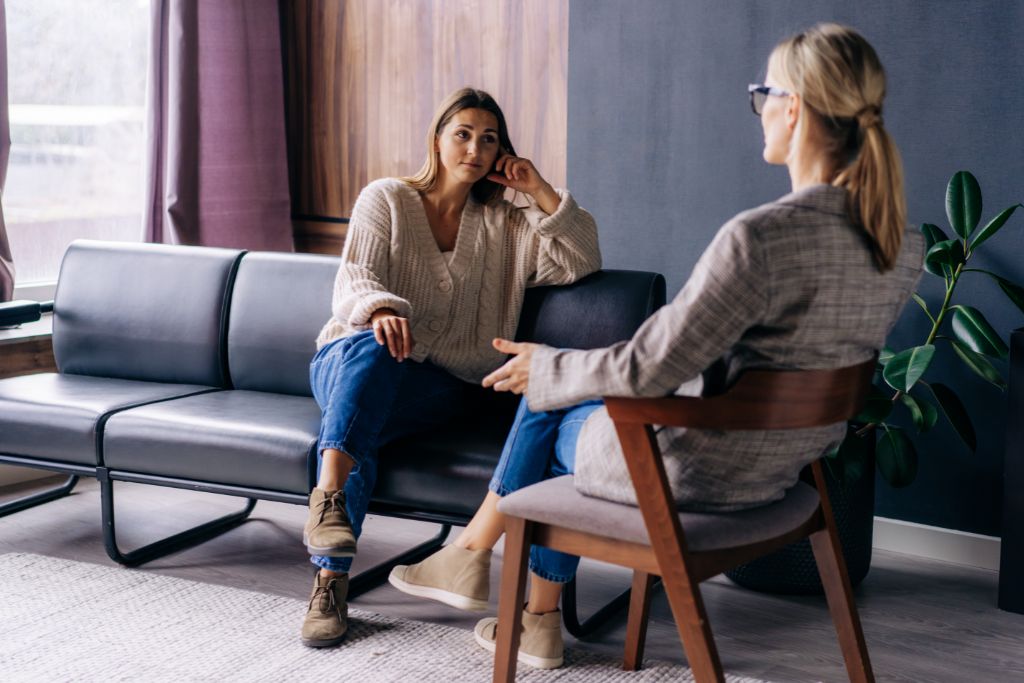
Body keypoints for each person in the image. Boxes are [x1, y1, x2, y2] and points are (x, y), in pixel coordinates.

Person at [389, 23, 925, 670]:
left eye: (763, 94)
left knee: (549, 396)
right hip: (784, 470)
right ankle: (521, 606)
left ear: (795, 108)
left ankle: (486, 570)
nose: (760, 111)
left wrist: (550, 366)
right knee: (562, 382)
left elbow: (651, 365)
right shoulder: (900, 244)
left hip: (697, 471)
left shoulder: (761, 237)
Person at [300, 87, 601, 647]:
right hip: (349, 357)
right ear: (437, 140)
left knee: (364, 420)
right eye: (462, 133)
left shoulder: (509, 226)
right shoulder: (386, 198)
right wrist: (382, 308)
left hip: (444, 386)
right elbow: (353, 279)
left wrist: (538, 190)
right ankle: (330, 523)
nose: (475, 147)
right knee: (375, 353)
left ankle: (329, 566)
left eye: (489, 139)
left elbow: (581, 261)